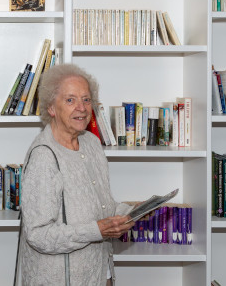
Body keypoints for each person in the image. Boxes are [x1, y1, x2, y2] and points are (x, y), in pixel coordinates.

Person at [15, 64, 135, 286]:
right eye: (70, 100)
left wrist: (130, 213)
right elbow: (38, 235)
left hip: (99, 273)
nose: (81, 107)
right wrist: (97, 230)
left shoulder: (91, 143)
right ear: (51, 107)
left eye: (86, 99)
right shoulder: (44, 156)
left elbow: (101, 206)